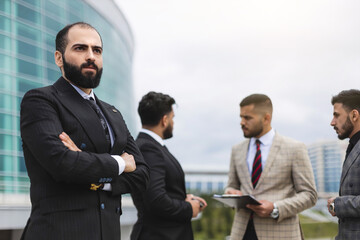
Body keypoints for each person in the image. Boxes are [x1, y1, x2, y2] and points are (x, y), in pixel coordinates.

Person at [20, 22, 149, 240]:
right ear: (59, 58)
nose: (91, 56)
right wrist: (120, 163)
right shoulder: (41, 101)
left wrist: (99, 179)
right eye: (80, 48)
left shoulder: (113, 113)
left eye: (96, 50)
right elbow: (61, 162)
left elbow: (142, 174)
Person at [225, 93, 317, 240]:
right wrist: (231, 193)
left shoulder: (295, 148)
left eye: (247, 118)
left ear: (266, 118)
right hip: (241, 233)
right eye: (241, 117)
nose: (242, 122)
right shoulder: (237, 150)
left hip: (280, 233)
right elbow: (231, 185)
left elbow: (310, 195)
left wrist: (276, 208)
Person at [130, 91, 207, 240]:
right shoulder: (149, 148)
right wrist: (189, 208)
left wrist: (183, 198)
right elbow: (156, 200)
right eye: (172, 118)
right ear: (164, 120)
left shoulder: (149, 146)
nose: (173, 122)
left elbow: (157, 191)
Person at [327, 89, 360, 239]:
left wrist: (338, 205)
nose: (332, 122)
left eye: (336, 115)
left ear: (354, 115)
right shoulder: (353, 145)